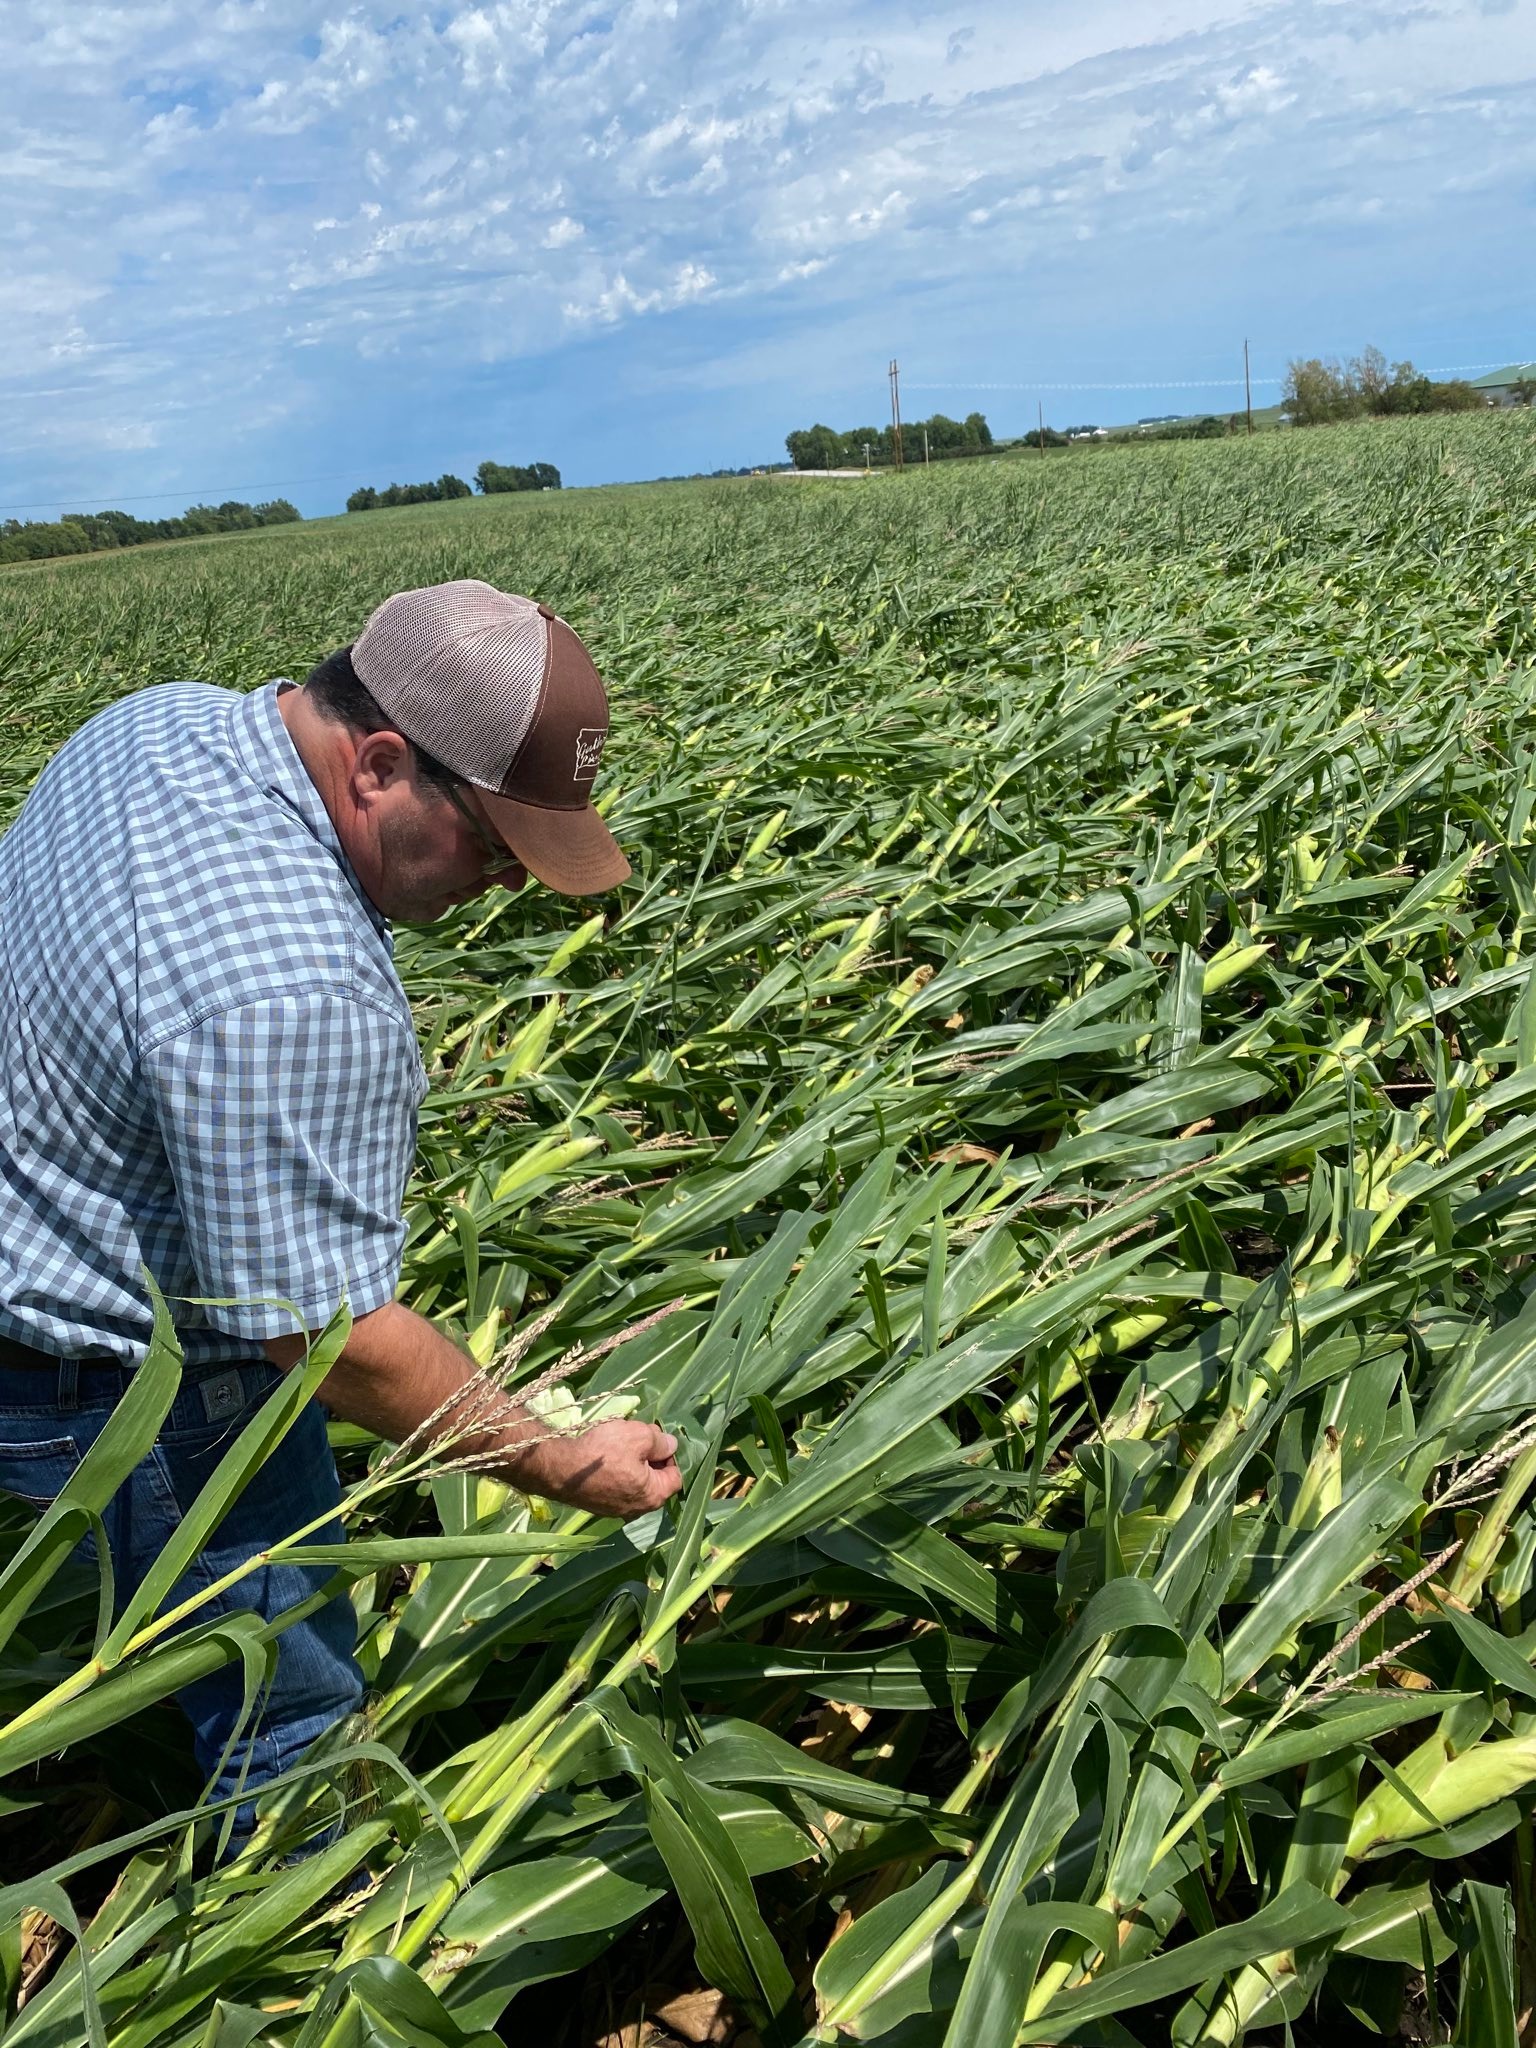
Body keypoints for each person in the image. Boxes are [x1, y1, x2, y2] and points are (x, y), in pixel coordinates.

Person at [0, 578, 682, 1835]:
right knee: (291, 1710)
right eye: (492, 844)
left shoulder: (155, 723)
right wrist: (556, 1460)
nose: (504, 886)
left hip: (27, 1250)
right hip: (120, 1389)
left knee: (126, 1625)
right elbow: (320, 1335)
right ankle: (282, 1958)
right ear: (377, 761)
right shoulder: (294, 988)